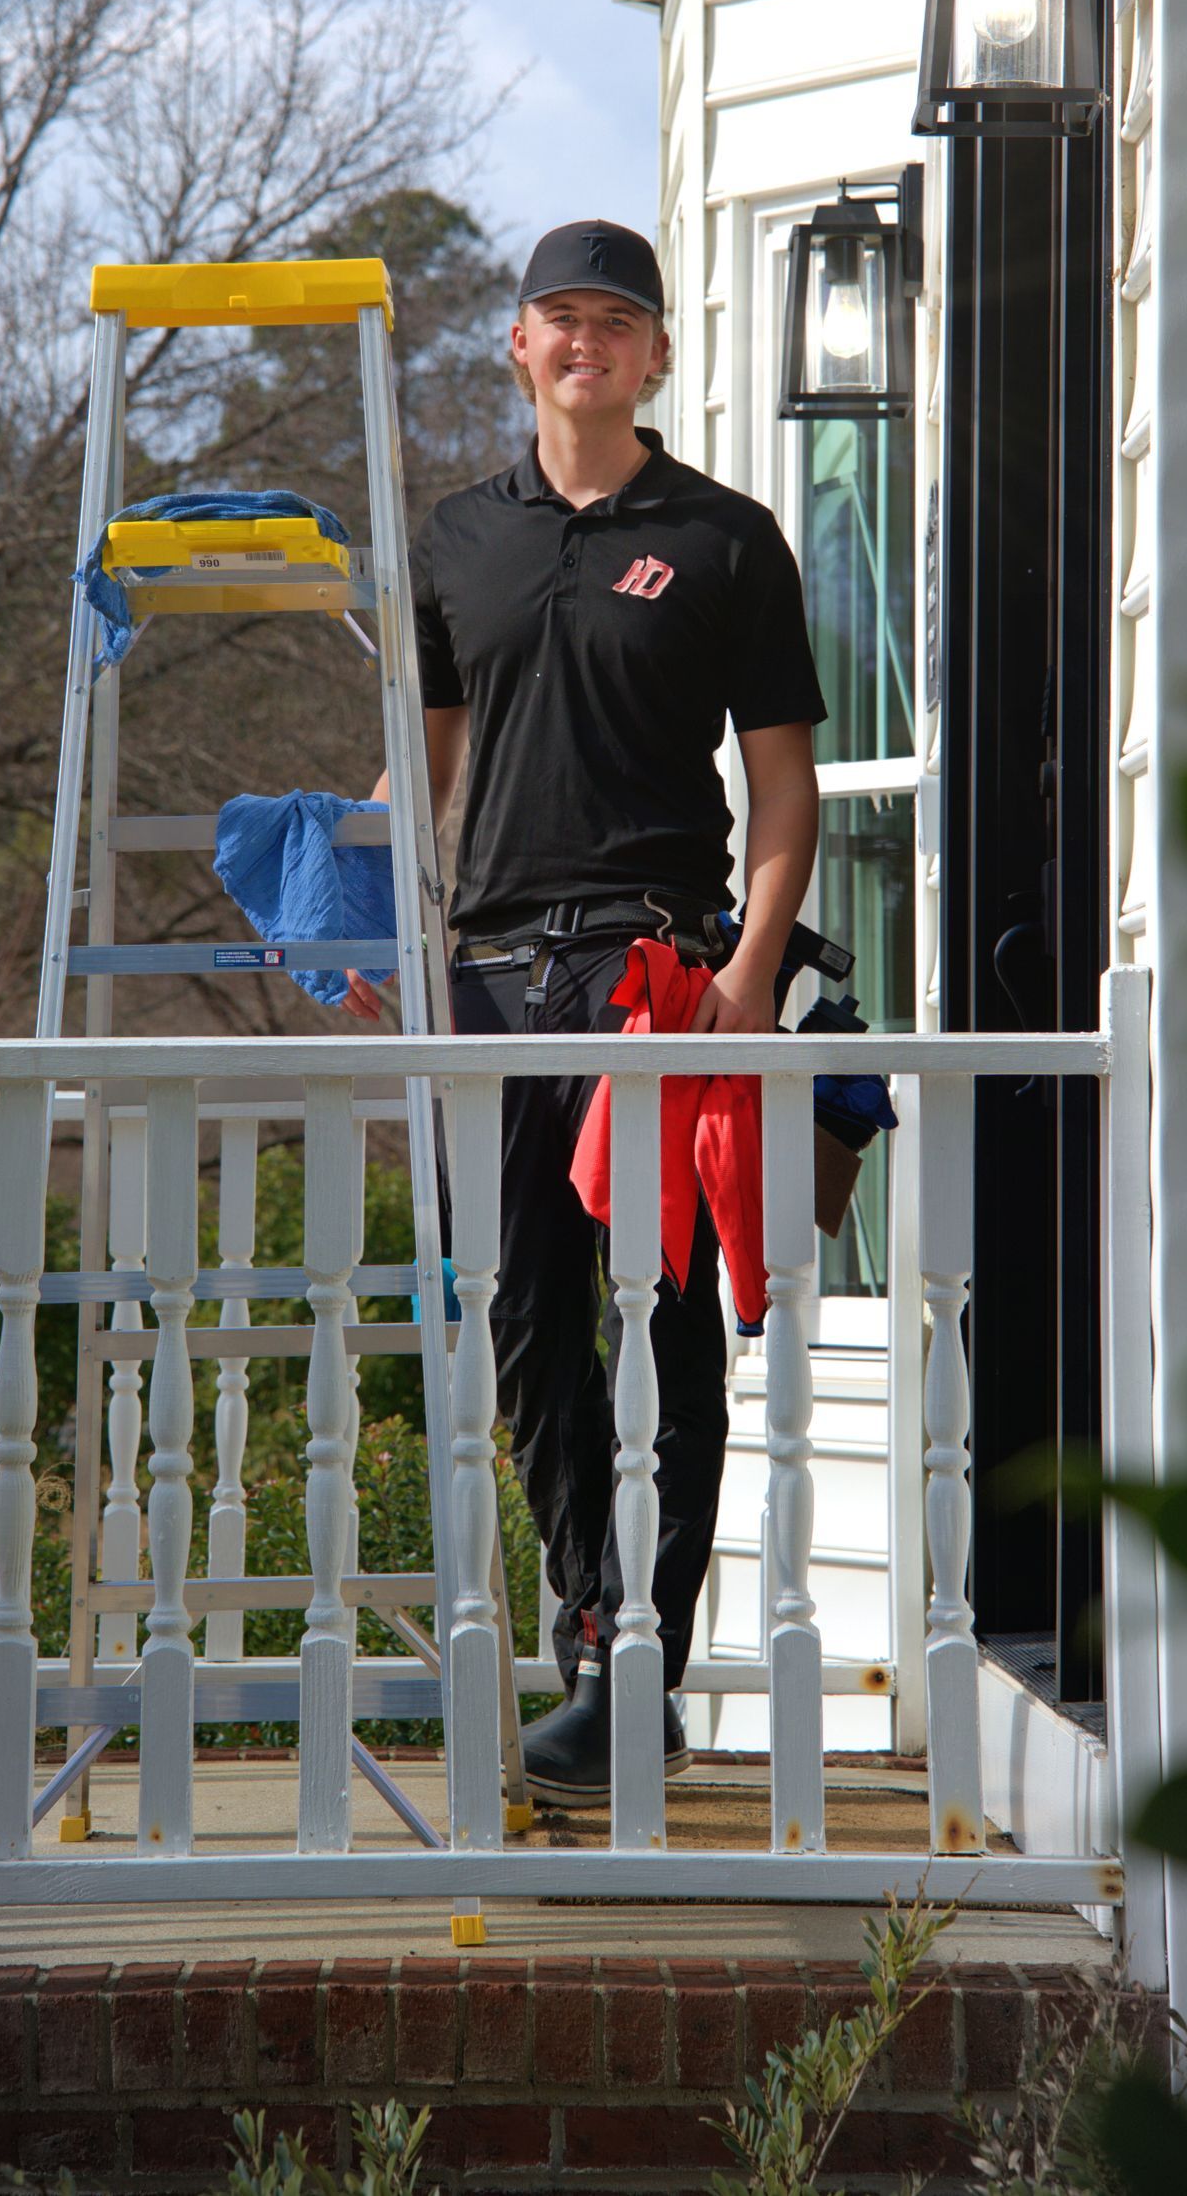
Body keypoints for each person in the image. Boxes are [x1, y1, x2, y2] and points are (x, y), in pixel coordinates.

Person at [343, 218, 823, 1803]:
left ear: (657, 356)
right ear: (520, 346)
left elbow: (781, 790)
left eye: (618, 322)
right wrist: (365, 917)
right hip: (489, 982)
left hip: (652, 978)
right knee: (531, 1313)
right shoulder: (459, 537)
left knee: (664, 1314)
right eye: (562, 318)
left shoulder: (731, 537)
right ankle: (594, 1637)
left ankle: (647, 1665)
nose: (588, 342)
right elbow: (422, 770)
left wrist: (750, 976)